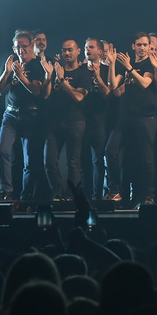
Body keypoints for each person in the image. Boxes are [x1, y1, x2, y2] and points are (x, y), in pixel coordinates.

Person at [0, 30, 49, 202]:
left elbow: (37, 90)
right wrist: (7, 72)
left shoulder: (36, 65)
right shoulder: (12, 64)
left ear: (31, 45)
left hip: (30, 116)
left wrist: (21, 77)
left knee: (30, 161)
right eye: (18, 48)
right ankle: (7, 192)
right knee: (1, 151)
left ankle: (26, 199)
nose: (21, 51)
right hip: (10, 114)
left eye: (24, 47)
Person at [108, 33, 157, 208]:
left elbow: (145, 83)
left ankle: (148, 195)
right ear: (133, 46)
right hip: (127, 117)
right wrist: (112, 64)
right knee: (112, 150)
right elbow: (115, 89)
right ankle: (115, 190)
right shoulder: (127, 65)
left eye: (145, 45)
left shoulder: (149, 64)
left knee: (146, 159)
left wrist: (130, 68)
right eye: (139, 45)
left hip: (146, 117)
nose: (142, 48)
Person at [41, 39, 91, 201]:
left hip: (75, 122)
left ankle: (72, 196)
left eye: (70, 50)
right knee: (49, 161)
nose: (67, 53)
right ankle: (58, 194)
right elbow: (46, 95)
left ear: (78, 52)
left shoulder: (83, 73)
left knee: (73, 163)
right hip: (55, 122)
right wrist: (49, 76)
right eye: (64, 50)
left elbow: (78, 97)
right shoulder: (57, 70)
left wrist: (62, 81)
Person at [82, 38, 113, 201]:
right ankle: (83, 196)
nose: (88, 49)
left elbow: (108, 94)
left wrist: (97, 75)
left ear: (100, 52)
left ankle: (98, 196)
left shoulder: (107, 69)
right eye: (86, 47)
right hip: (82, 117)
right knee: (82, 160)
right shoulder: (81, 69)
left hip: (100, 118)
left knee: (98, 159)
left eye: (91, 47)